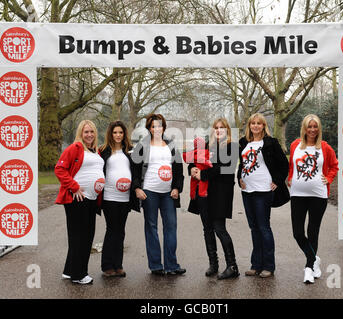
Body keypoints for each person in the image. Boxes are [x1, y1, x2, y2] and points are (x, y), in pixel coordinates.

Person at [131, 113, 185, 276]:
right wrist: (137, 188)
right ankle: (156, 265)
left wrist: (176, 188)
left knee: (171, 227)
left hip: (168, 193)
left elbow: (178, 169)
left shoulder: (171, 145)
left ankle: (171, 265)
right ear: (149, 128)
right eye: (153, 126)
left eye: (159, 126)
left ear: (164, 127)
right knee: (151, 228)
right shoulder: (142, 145)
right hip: (149, 192)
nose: (157, 129)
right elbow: (134, 169)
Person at [287, 114, 338, 284]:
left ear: (319, 129)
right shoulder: (295, 145)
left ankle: (309, 268)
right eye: (309, 126)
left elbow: (334, 166)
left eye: (315, 126)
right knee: (297, 233)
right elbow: (291, 166)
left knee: (313, 231)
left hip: (318, 195)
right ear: (304, 128)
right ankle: (314, 258)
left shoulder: (324, 147)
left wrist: (329, 178)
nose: (312, 129)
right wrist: (290, 177)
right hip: (297, 194)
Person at [238, 113, 289, 278]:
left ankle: (268, 265)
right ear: (249, 126)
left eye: (259, 123)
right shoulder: (244, 142)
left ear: (263, 126)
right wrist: (239, 177)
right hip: (247, 191)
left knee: (263, 227)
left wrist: (278, 181)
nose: (255, 126)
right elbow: (242, 164)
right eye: (253, 123)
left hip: (263, 190)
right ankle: (256, 265)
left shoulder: (270, 143)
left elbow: (284, 164)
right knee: (254, 228)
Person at [55, 120, 104, 285]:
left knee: (84, 235)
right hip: (77, 199)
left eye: (91, 132)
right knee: (80, 237)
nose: (89, 135)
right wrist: (74, 187)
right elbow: (59, 169)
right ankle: (79, 274)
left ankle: (70, 271)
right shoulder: (74, 148)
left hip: (90, 199)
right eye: (86, 132)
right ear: (80, 134)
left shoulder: (95, 151)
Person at [191, 118, 240, 280]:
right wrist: (193, 169)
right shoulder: (207, 145)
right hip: (204, 193)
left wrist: (203, 174)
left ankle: (232, 266)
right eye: (216, 128)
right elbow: (194, 160)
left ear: (227, 130)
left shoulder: (232, 146)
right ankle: (214, 264)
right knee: (207, 229)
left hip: (221, 193)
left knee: (220, 228)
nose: (219, 130)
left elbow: (226, 169)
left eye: (222, 128)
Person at [98, 121, 140, 278]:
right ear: (111, 134)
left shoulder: (130, 151)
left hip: (125, 198)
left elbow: (135, 173)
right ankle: (107, 266)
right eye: (115, 132)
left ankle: (118, 265)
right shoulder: (103, 151)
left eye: (120, 133)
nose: (118, 135)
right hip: (109, 197)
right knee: (111, 230)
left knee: (120, 231)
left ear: (124, 134)